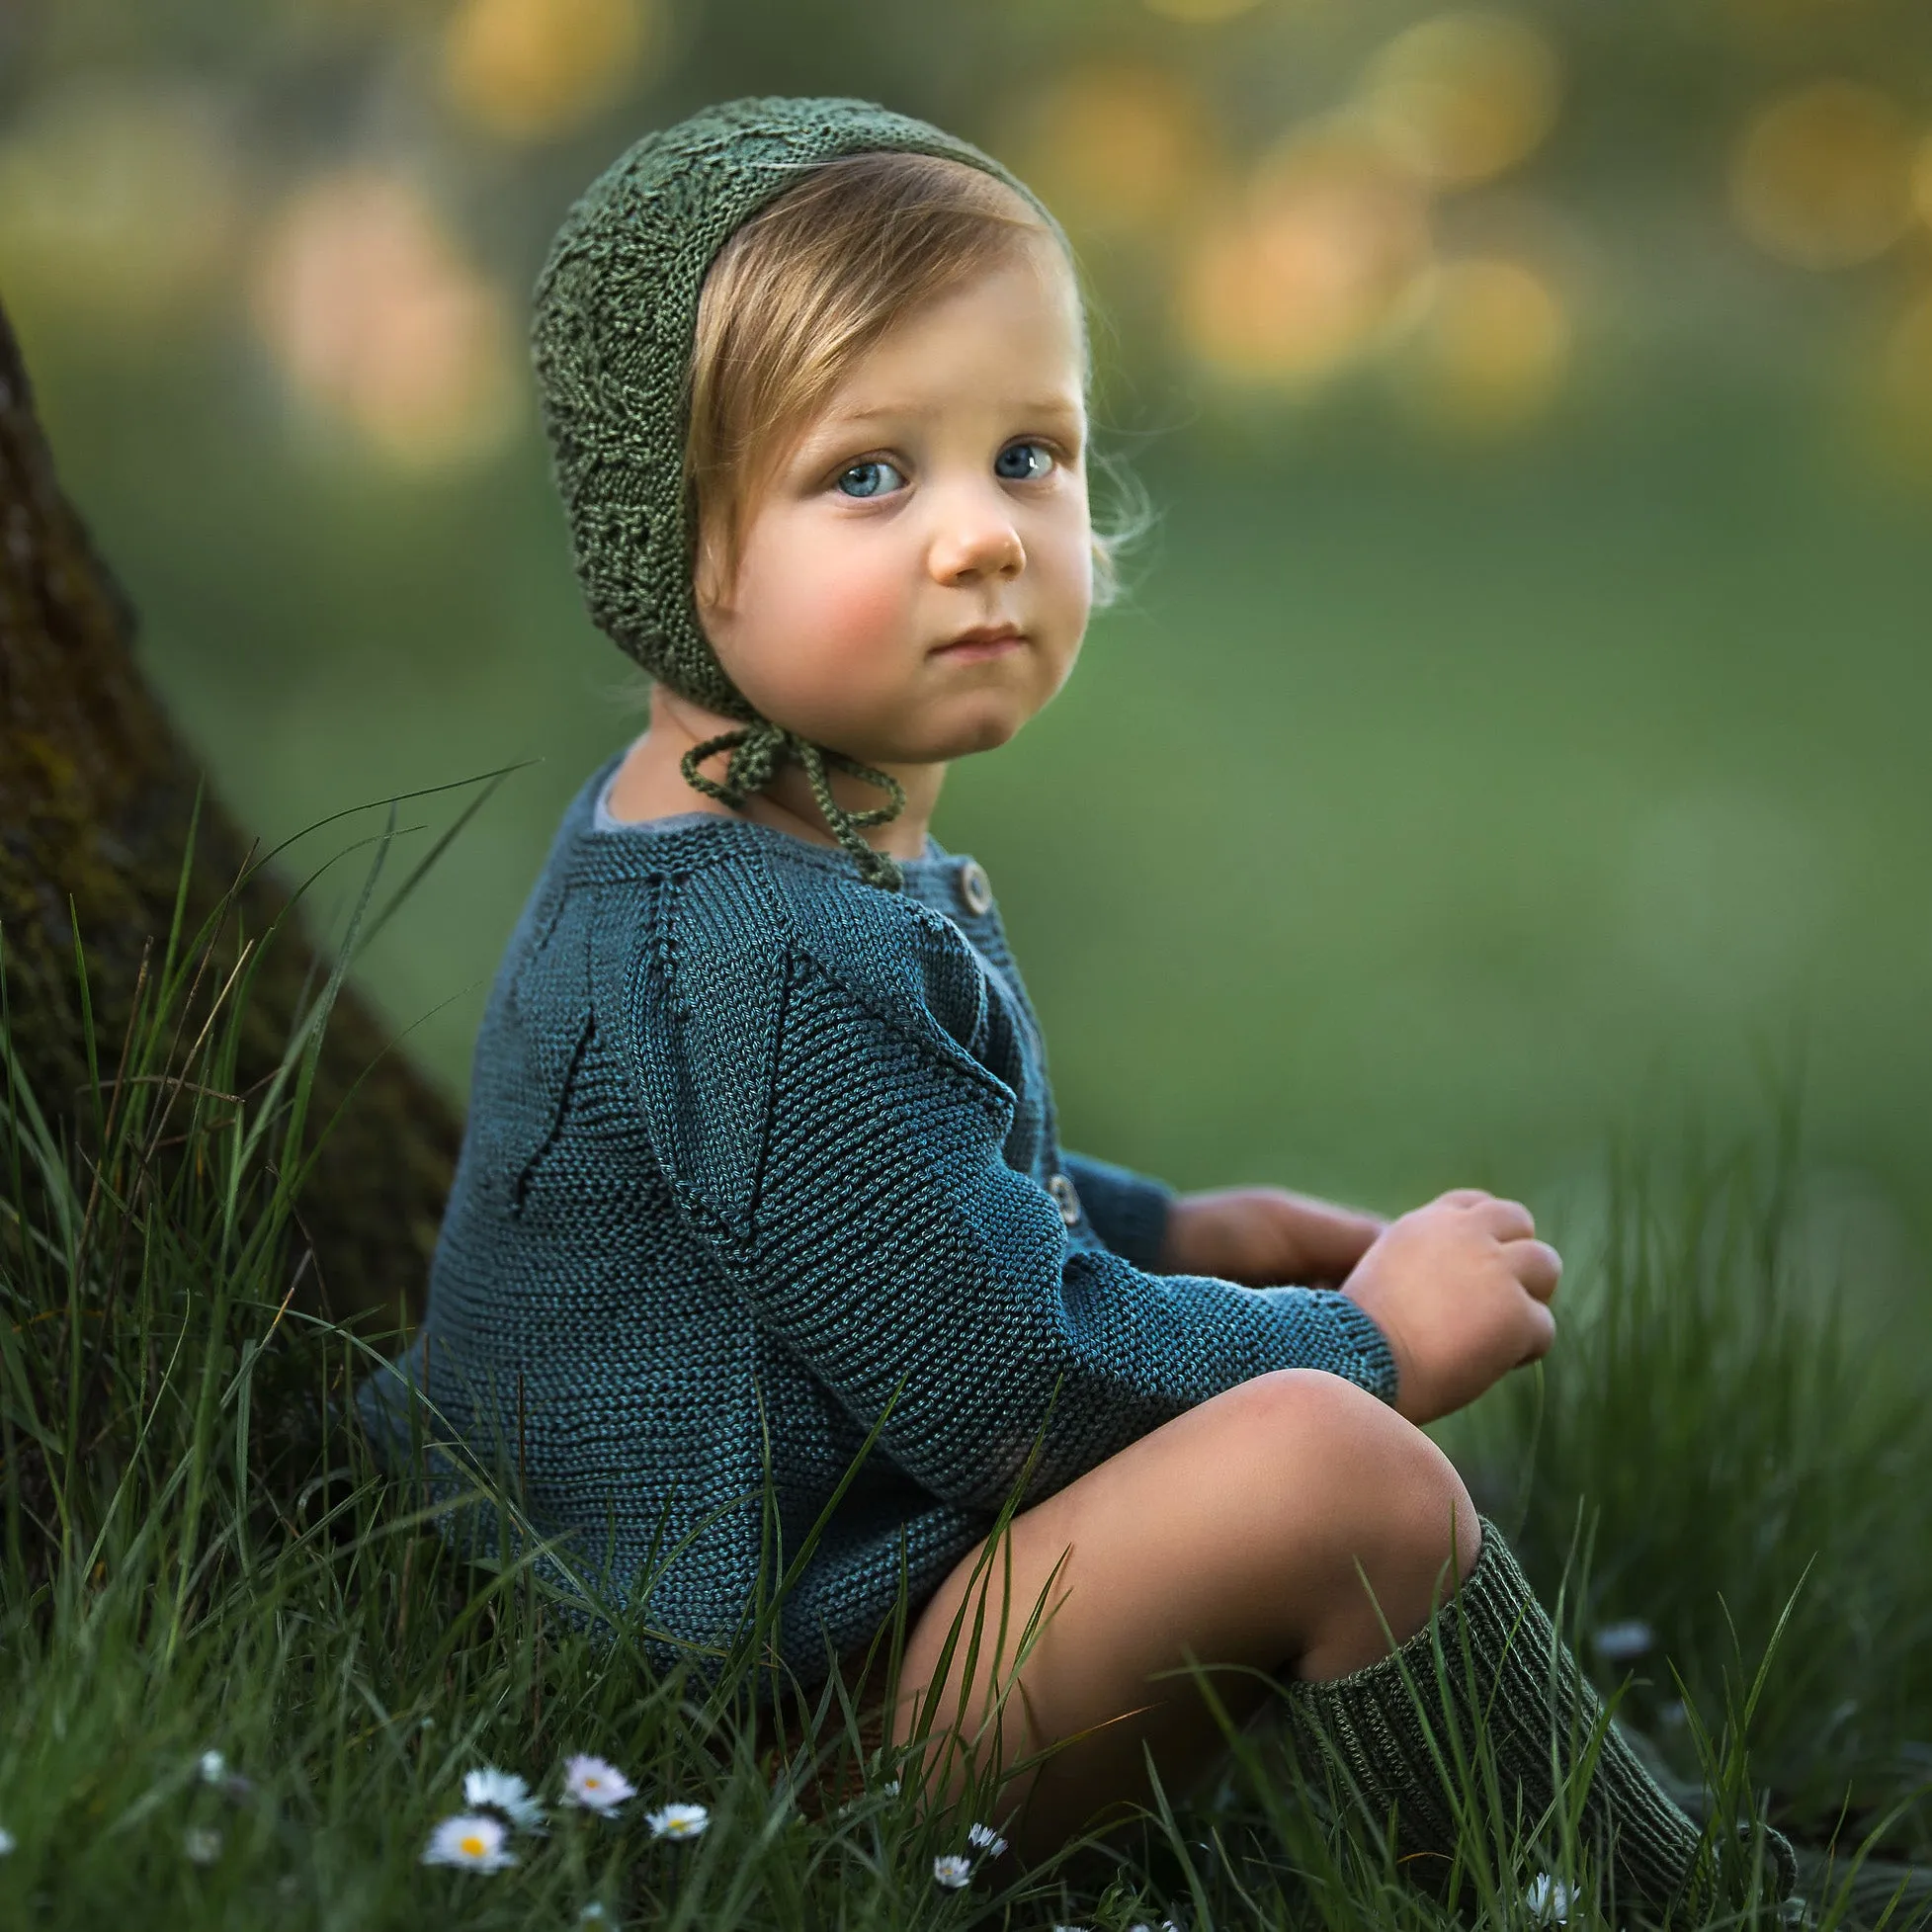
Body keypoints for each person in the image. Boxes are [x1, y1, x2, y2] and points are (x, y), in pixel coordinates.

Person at [357, 96, 1795, 1904]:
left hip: (799, 1661)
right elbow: (998, 1378)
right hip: (753, 1761)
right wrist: (1362, 1347)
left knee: (1283, 1398)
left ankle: (1548, 1814)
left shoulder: (716, 849)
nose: (981, 538)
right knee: (1329, 1466)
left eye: (1027, 454)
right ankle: (1661, 1899)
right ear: (671, 536)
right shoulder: (761, 951)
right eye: (869, 474)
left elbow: (868, 1217)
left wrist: (1162, 1222)